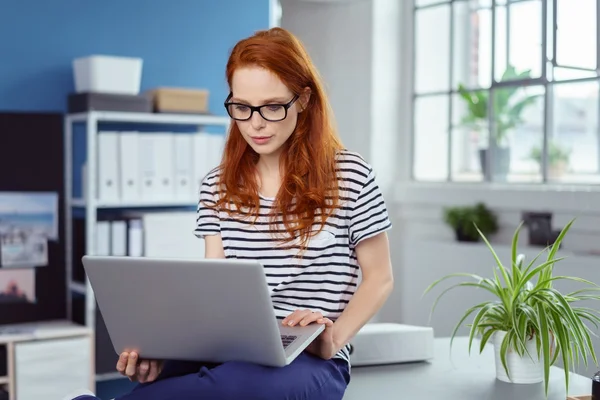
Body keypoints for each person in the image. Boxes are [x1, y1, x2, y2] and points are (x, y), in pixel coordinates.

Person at [68, 26, 394, 400]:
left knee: (243, 384)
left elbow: (380, 278)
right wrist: (166, 351)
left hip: (313, 355)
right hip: (230, 344)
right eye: (242, 107)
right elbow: (214, 289)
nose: (255, 123)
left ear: (303, 100)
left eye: (272, 106)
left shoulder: (350, 175)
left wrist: (333, 338)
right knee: (199, 373)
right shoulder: (216, 186)